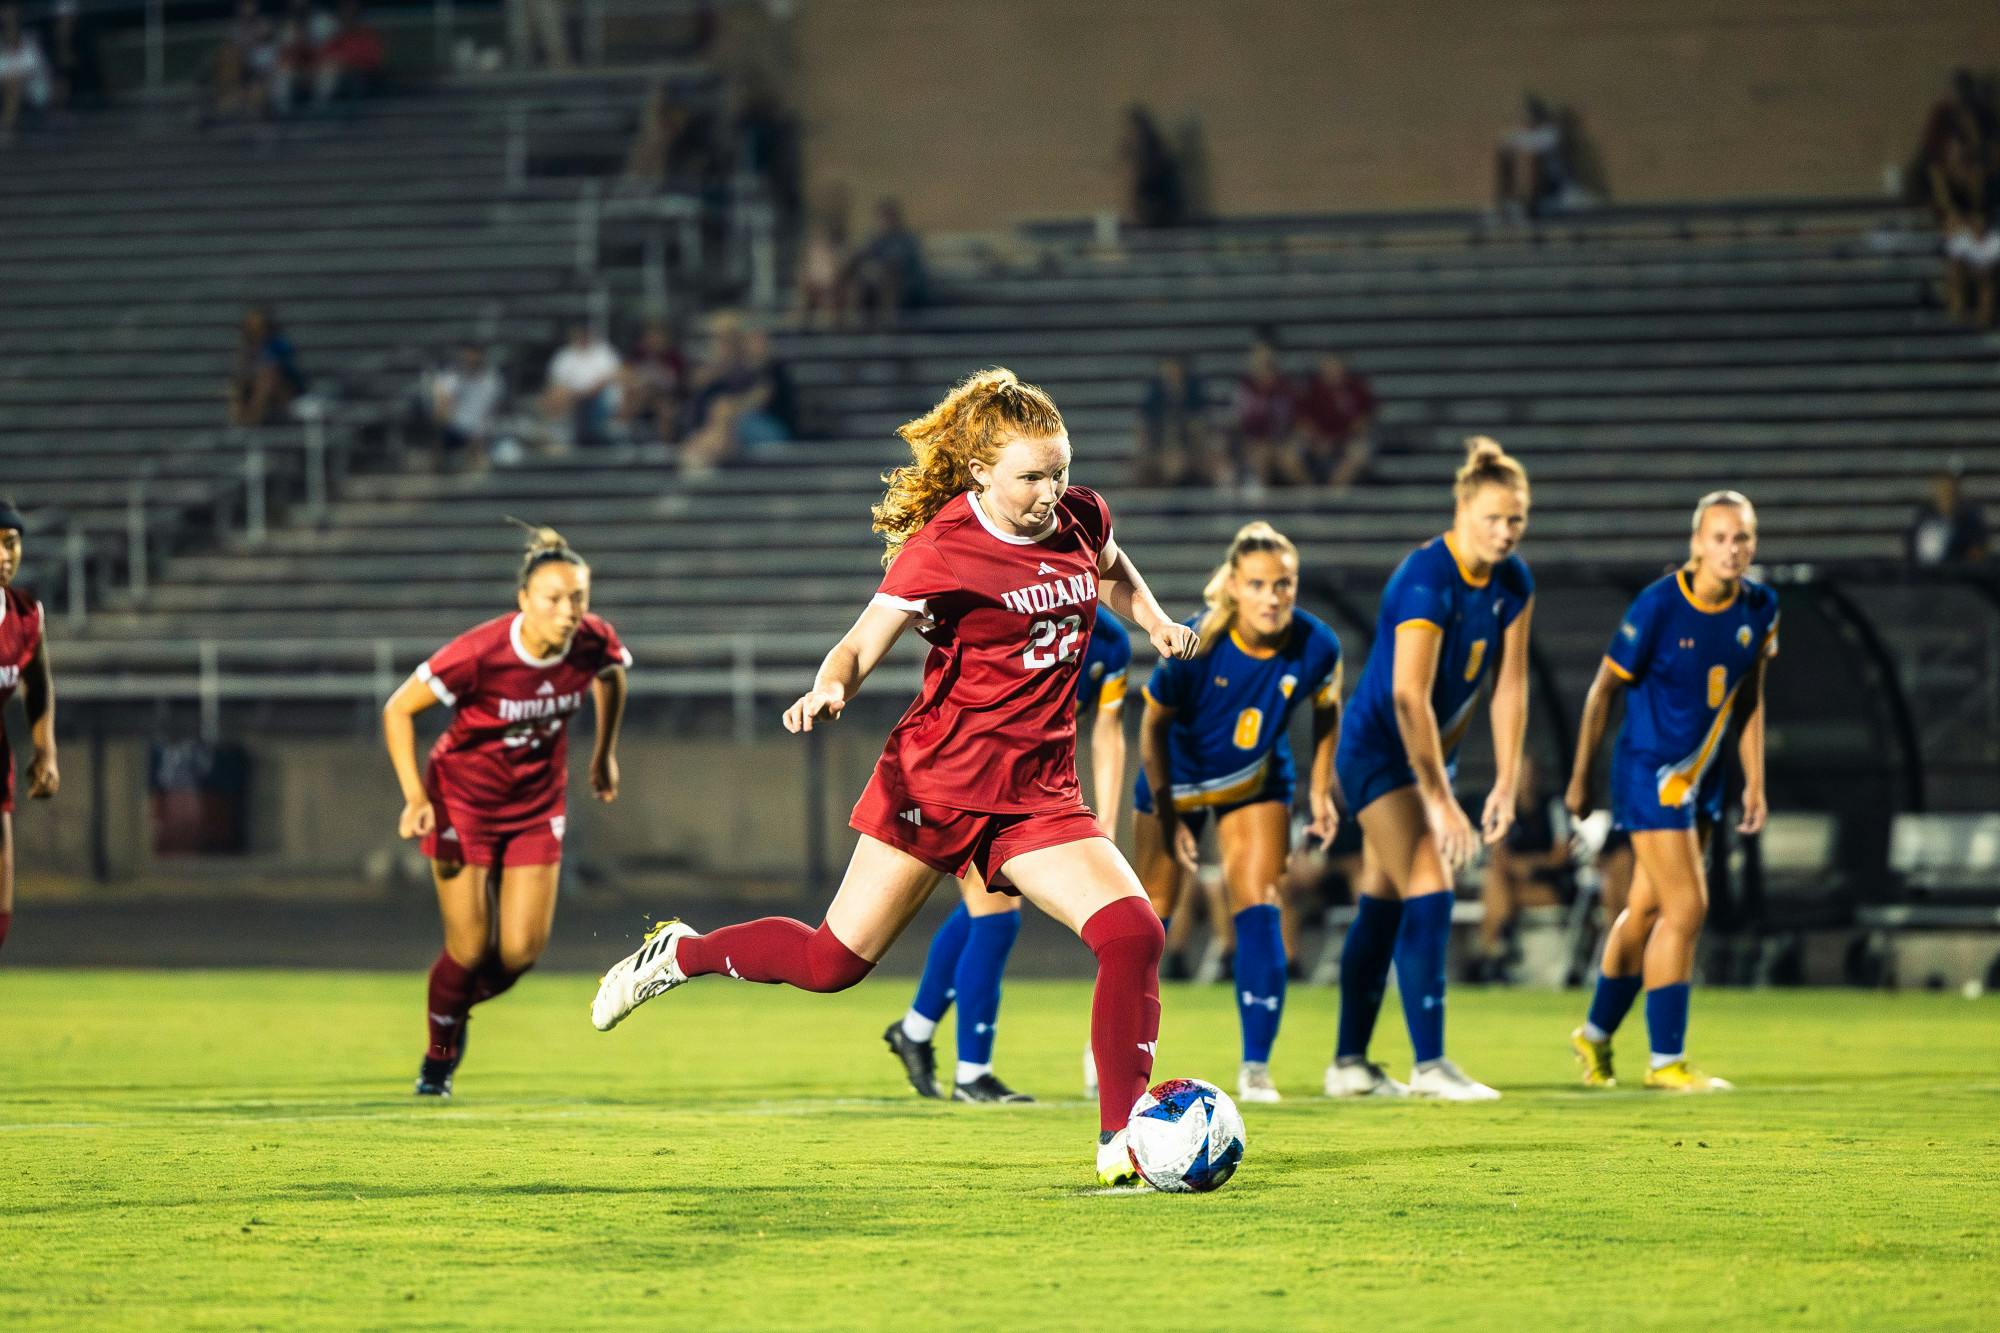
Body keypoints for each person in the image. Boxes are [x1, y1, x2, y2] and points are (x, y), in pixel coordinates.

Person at [589, 369, 1200, 1186]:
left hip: (1036, 794)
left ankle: (1119, 1139)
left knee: (1134, 934)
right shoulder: (944, 546)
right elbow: (859, 642)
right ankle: (682, 953)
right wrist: (832, 685)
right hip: (936, 785)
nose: (1051, 491)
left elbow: (1113, 567)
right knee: (831, 964)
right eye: (1031, 476)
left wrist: (1155, 620)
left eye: (1059, 469)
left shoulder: (1081, 514)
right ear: (982, 471)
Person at [381, 523, 631, 1098]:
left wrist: (604, 755)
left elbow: (612, 676)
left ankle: (447, 1008)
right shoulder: (480, 653)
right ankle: (438, 1058)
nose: (567, 611)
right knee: (468, 950)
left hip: (535, 807)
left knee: (518, 953)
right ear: (524, 601)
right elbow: (398, 710)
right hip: (459, 805)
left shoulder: (593, 640)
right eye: (553, 599)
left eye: (578, 598)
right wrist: (416, 797)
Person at [1327, 436, 1534, 1100]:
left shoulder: (1512, 582)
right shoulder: (1426, 578)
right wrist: (1442, 800)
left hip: (1422, 758)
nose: (1505, 532)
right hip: (1376, 750)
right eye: (1493, 518)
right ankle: (1430, 1064)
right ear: (1462, 507)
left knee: (1385, 901)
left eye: (1516, 520)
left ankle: (1349, 1063)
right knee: (1430, 869)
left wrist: (1504, 777)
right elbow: (1407, 697)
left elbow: (1509, 686)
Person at [1567, 491, 1778, 1093]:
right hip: (1651, 774)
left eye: (1741, 538)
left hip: (1702, 780)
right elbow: (1602, 691)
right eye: (1719, 538)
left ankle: (1596, 1035)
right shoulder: (1659, 606)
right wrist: (1581, 778)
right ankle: (1666, 1062)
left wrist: (1754, 780)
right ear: (1696, 544)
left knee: (1650, 910)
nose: (1731, 549)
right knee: (1688, 908)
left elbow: (1750, 698)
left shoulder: (1761, 607)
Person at [883, 605, 1131, 1104]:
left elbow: (1108, 730)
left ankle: (915, 1029)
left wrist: (1103, 821)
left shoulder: (1111, 643)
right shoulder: (1007, 610)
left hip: (1020, 789)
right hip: (958, 774)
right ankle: (972, 1073)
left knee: (984, 912)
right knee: (995, 916)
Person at [1131, 522, 1343, 1103]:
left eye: (1284, 584)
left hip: (1254, 778)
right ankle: (1116, 1047)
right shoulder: (1195, 644)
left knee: (1257, 898)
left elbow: (1328, 715)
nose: (1273, 597)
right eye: (1258, 585)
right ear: (1235, 589)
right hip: (1174, 780)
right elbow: (1152, 729)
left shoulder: (1317, 643)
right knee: (1152, 912)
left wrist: (1321, 791)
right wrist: (1172, 820)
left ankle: (1255, 1067)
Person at [0, 499, 58, 955]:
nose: (4, 555)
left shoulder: (24, 616)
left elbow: (36, 681)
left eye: (11, 543)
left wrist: (46, 753)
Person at [1471, 756, 1572, 982]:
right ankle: (1499, 953)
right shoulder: (1505, 810)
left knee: (1493, 898)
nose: (1526, 780)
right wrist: (1518, 867)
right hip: (1513, 882)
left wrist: (1531, 864)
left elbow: (1561, 855)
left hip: (1547, 884)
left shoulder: (1553, 807)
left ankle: (1494, 955)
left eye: (1530, 773)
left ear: (1539, 777)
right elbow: (1498, 854)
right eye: (1520, 774)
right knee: (1495, 879)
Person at [1132, 356, 1218, 489]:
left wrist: (1193, 451)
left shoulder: (1194, 397)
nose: (1171, 375)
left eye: (1175, 371)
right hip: (1159, 449)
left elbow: (1200, 430)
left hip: (1189, 449)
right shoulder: (1154, 399)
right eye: (1168, 372)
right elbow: (1143, 428)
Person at [1295, 355, 1378, 489]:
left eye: (1336, 367)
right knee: (1289, 454)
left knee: (1358, 454)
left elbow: (1363, 420)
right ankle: (1309, 491)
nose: (1333, 371)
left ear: (1343, 368)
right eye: (1329, 367)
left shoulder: (1356, 388)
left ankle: (1334, 495)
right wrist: (1318, 440)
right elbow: (1302, 421)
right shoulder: (1311, 389)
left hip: (1347, 440)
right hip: (1317, 441)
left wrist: (1336, 441)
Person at [1232, 337, 1305, 488]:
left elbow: (1295, 420)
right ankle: (1261, 507)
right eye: (1257, 355)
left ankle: (1309, 503)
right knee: (1260, 456)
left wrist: (1287, 442)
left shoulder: (1285, 386)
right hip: (1253, 443)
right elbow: (1239, 421)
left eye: (1265, 355)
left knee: (1290, 460)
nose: (1262, 360)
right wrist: (1251, 444)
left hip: (1282, 442)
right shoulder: (1245, 386)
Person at [426, 344, 506, 472]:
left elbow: (493, 411)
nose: (471, 358)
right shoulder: (452, 377)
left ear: (481, 356)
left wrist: (480, 432)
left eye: (475, 354)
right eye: (468, 354)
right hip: (455, 429)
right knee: (440, 425)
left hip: (483, 430)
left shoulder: (493, 380)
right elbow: (441, 408)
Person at [540, 323, 621, 449]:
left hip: (598, 397)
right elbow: (556, 383)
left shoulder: (604, 352)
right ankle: (557, 435)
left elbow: (611, 378)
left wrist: (587, 393)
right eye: (579, 334)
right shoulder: (564, 355)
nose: (582, 337)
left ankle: (615, 430)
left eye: (586, 334)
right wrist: (573, 394)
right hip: (573, 397)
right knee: (557, 393)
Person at [847, 198, 927, 325]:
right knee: (856, 281)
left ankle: (888, 328)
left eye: (888, 217)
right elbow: (857, 258)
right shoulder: (873, 240)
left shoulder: (906, 240)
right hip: (874, 286)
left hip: (907, 287)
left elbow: (896, 265)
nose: (884, 222)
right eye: (881, 218)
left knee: (888, 279)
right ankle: (855, 326)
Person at [1494, 94, 1569, 222]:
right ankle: (1509, 202)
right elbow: (1503, 144)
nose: (1524, 118)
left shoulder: (1549, 134)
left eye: (1527, 114)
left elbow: (1537, 150)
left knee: (1533, 158)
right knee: (1506, 154)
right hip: (1525, 191)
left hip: (1551, 190)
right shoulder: (1521, 135)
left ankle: (1531, 204)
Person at [228, 306, 304, 427]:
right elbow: (243, 371)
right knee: (238, 385)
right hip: (260, 385)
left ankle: (253, 420)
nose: (255, 329)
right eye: (251, 325)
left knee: (267, 378)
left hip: (287, 388)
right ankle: (237, 423)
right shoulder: (248, 348)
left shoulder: (279, 345)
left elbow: (281, 370)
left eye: (258, 325)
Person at [1906, 470, 1990, 566]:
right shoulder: (1922, 519)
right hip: (1924, 575)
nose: (1945, 495)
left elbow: (1977, 554)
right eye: (1941, 491)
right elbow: (1912, 551)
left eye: (1949, 491)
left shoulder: (1971, 522)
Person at [1120, 105, 1183, 230]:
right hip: (1153, 185)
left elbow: (1153, 166)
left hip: (1156, 185)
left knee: (1147, 204)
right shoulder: (1147, 142)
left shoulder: (1151, 144)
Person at [0, 4, 52, 139]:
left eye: (12, 24)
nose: (9, 29)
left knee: (14, 86)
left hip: (34, 95)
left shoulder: (31, 42)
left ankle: (5, 131)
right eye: (6, 25)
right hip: (5, 93)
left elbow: (28, 73)